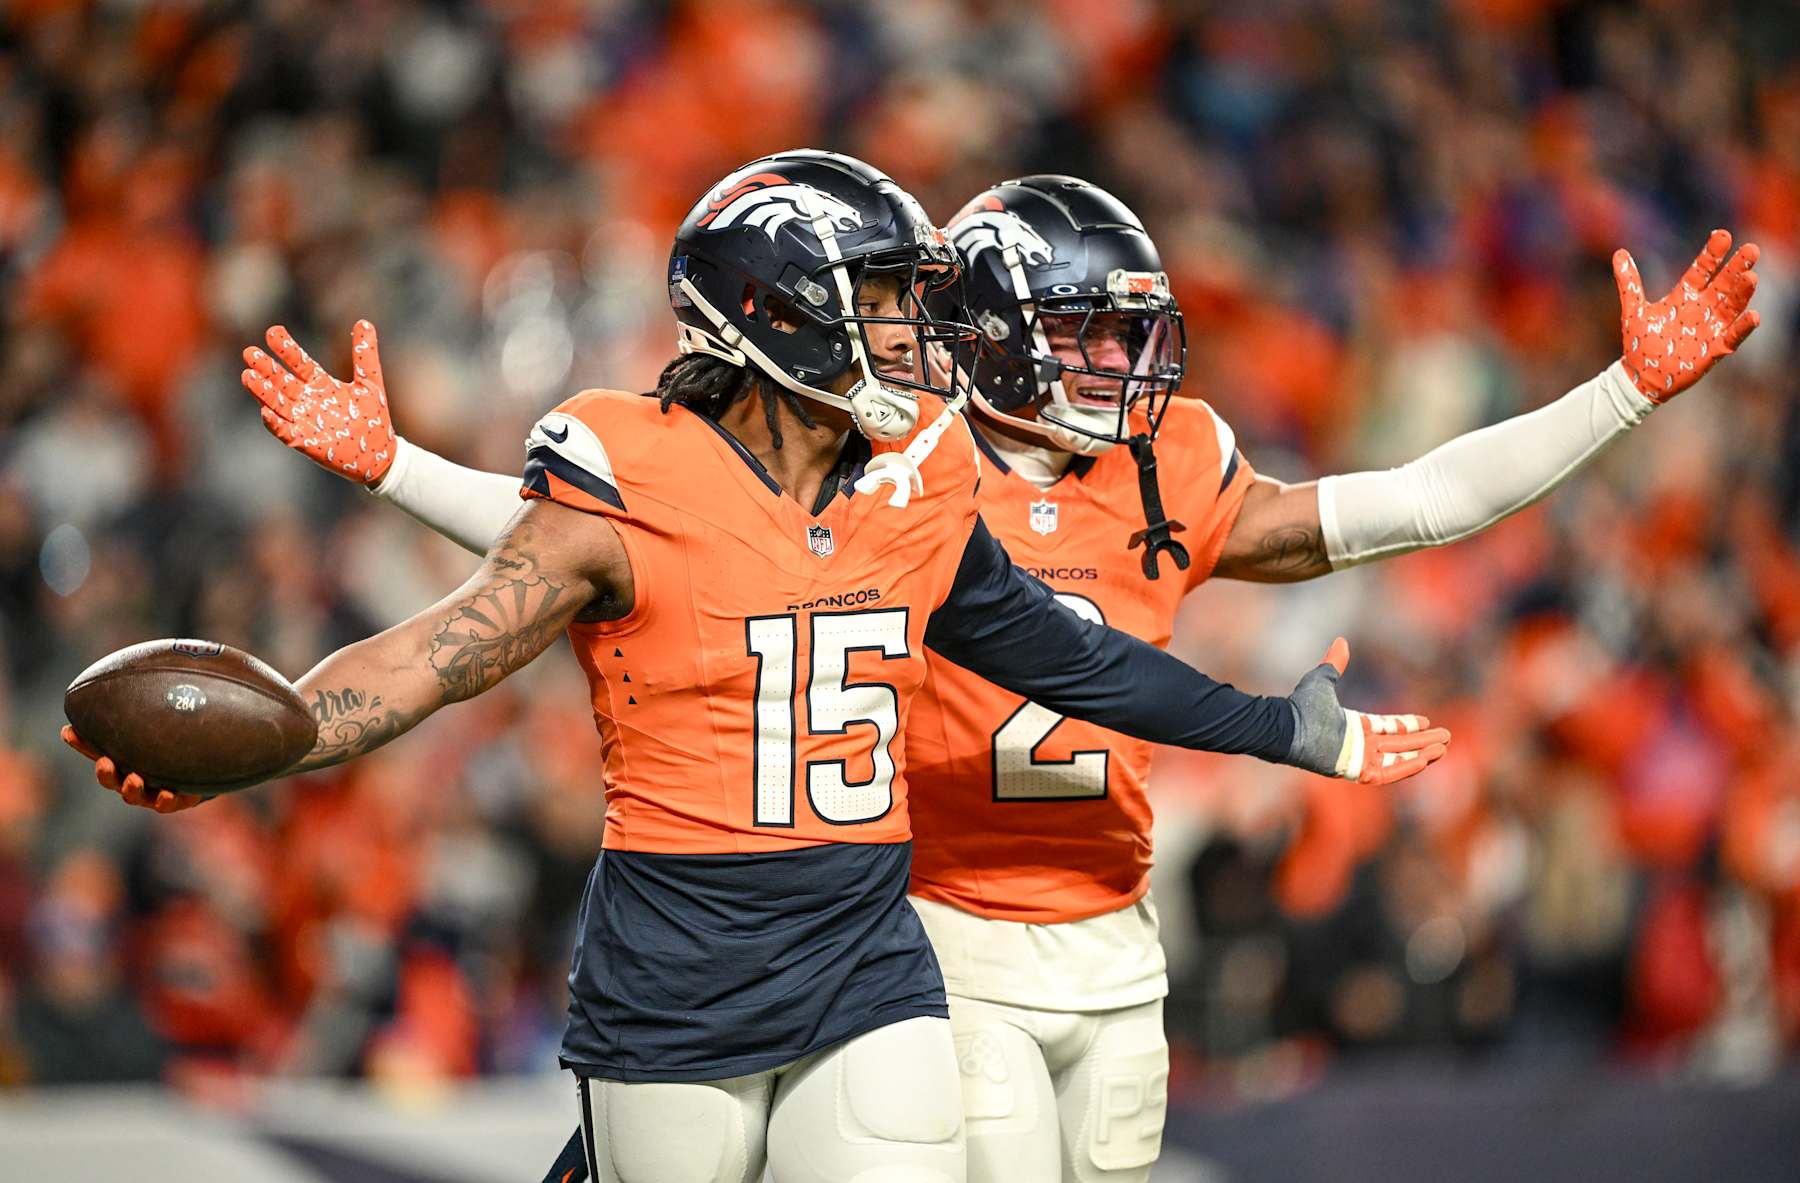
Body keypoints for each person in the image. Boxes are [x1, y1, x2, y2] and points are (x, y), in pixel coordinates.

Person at [253, 164, 1759, 1182]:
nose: (1124, 368)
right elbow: (625, 541)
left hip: (1115, 940)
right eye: (1089, 337)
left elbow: (1413, 501)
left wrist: (1621, 393)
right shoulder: (902, 455)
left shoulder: (1172, 462)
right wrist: (400, 470)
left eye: (1128, 337)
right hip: (929, 933)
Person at [63, 150, 1448, 1183]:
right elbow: (452, 650)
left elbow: (1070, 661)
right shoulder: (632, 470)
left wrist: (1285, 730)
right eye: (894, 303)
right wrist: (283, 733)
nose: (925, 336)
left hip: (864, 949)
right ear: (782, 314)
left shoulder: (910, 484)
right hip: (677, 965)